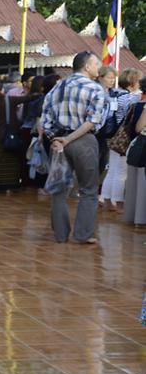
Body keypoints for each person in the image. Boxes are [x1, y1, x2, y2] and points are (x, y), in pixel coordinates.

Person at [41, 51, 106, 244]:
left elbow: (45, 119)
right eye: (96, 64)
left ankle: (60, 234)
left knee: (59, 189)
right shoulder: (95, 89)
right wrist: (69, 139)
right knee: (88, 189)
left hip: (58, 141)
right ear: (87, 66)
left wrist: (56, 139)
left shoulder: (58, 86)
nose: (98, 68)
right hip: (83, 140)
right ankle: (83, 234)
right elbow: (93, 121)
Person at [100, 68, 142, 210]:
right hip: (125, 138)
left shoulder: (118, 96)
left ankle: (106, 199)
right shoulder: (133, 98)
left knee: (112, 169)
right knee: (121, 172)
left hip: (114, 136)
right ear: (132, 83)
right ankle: (118, 201)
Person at [122, 79, 146, 225]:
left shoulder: (138, 106)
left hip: (142, 146)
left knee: (138, 184)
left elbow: (138, 128)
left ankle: (138, 217)